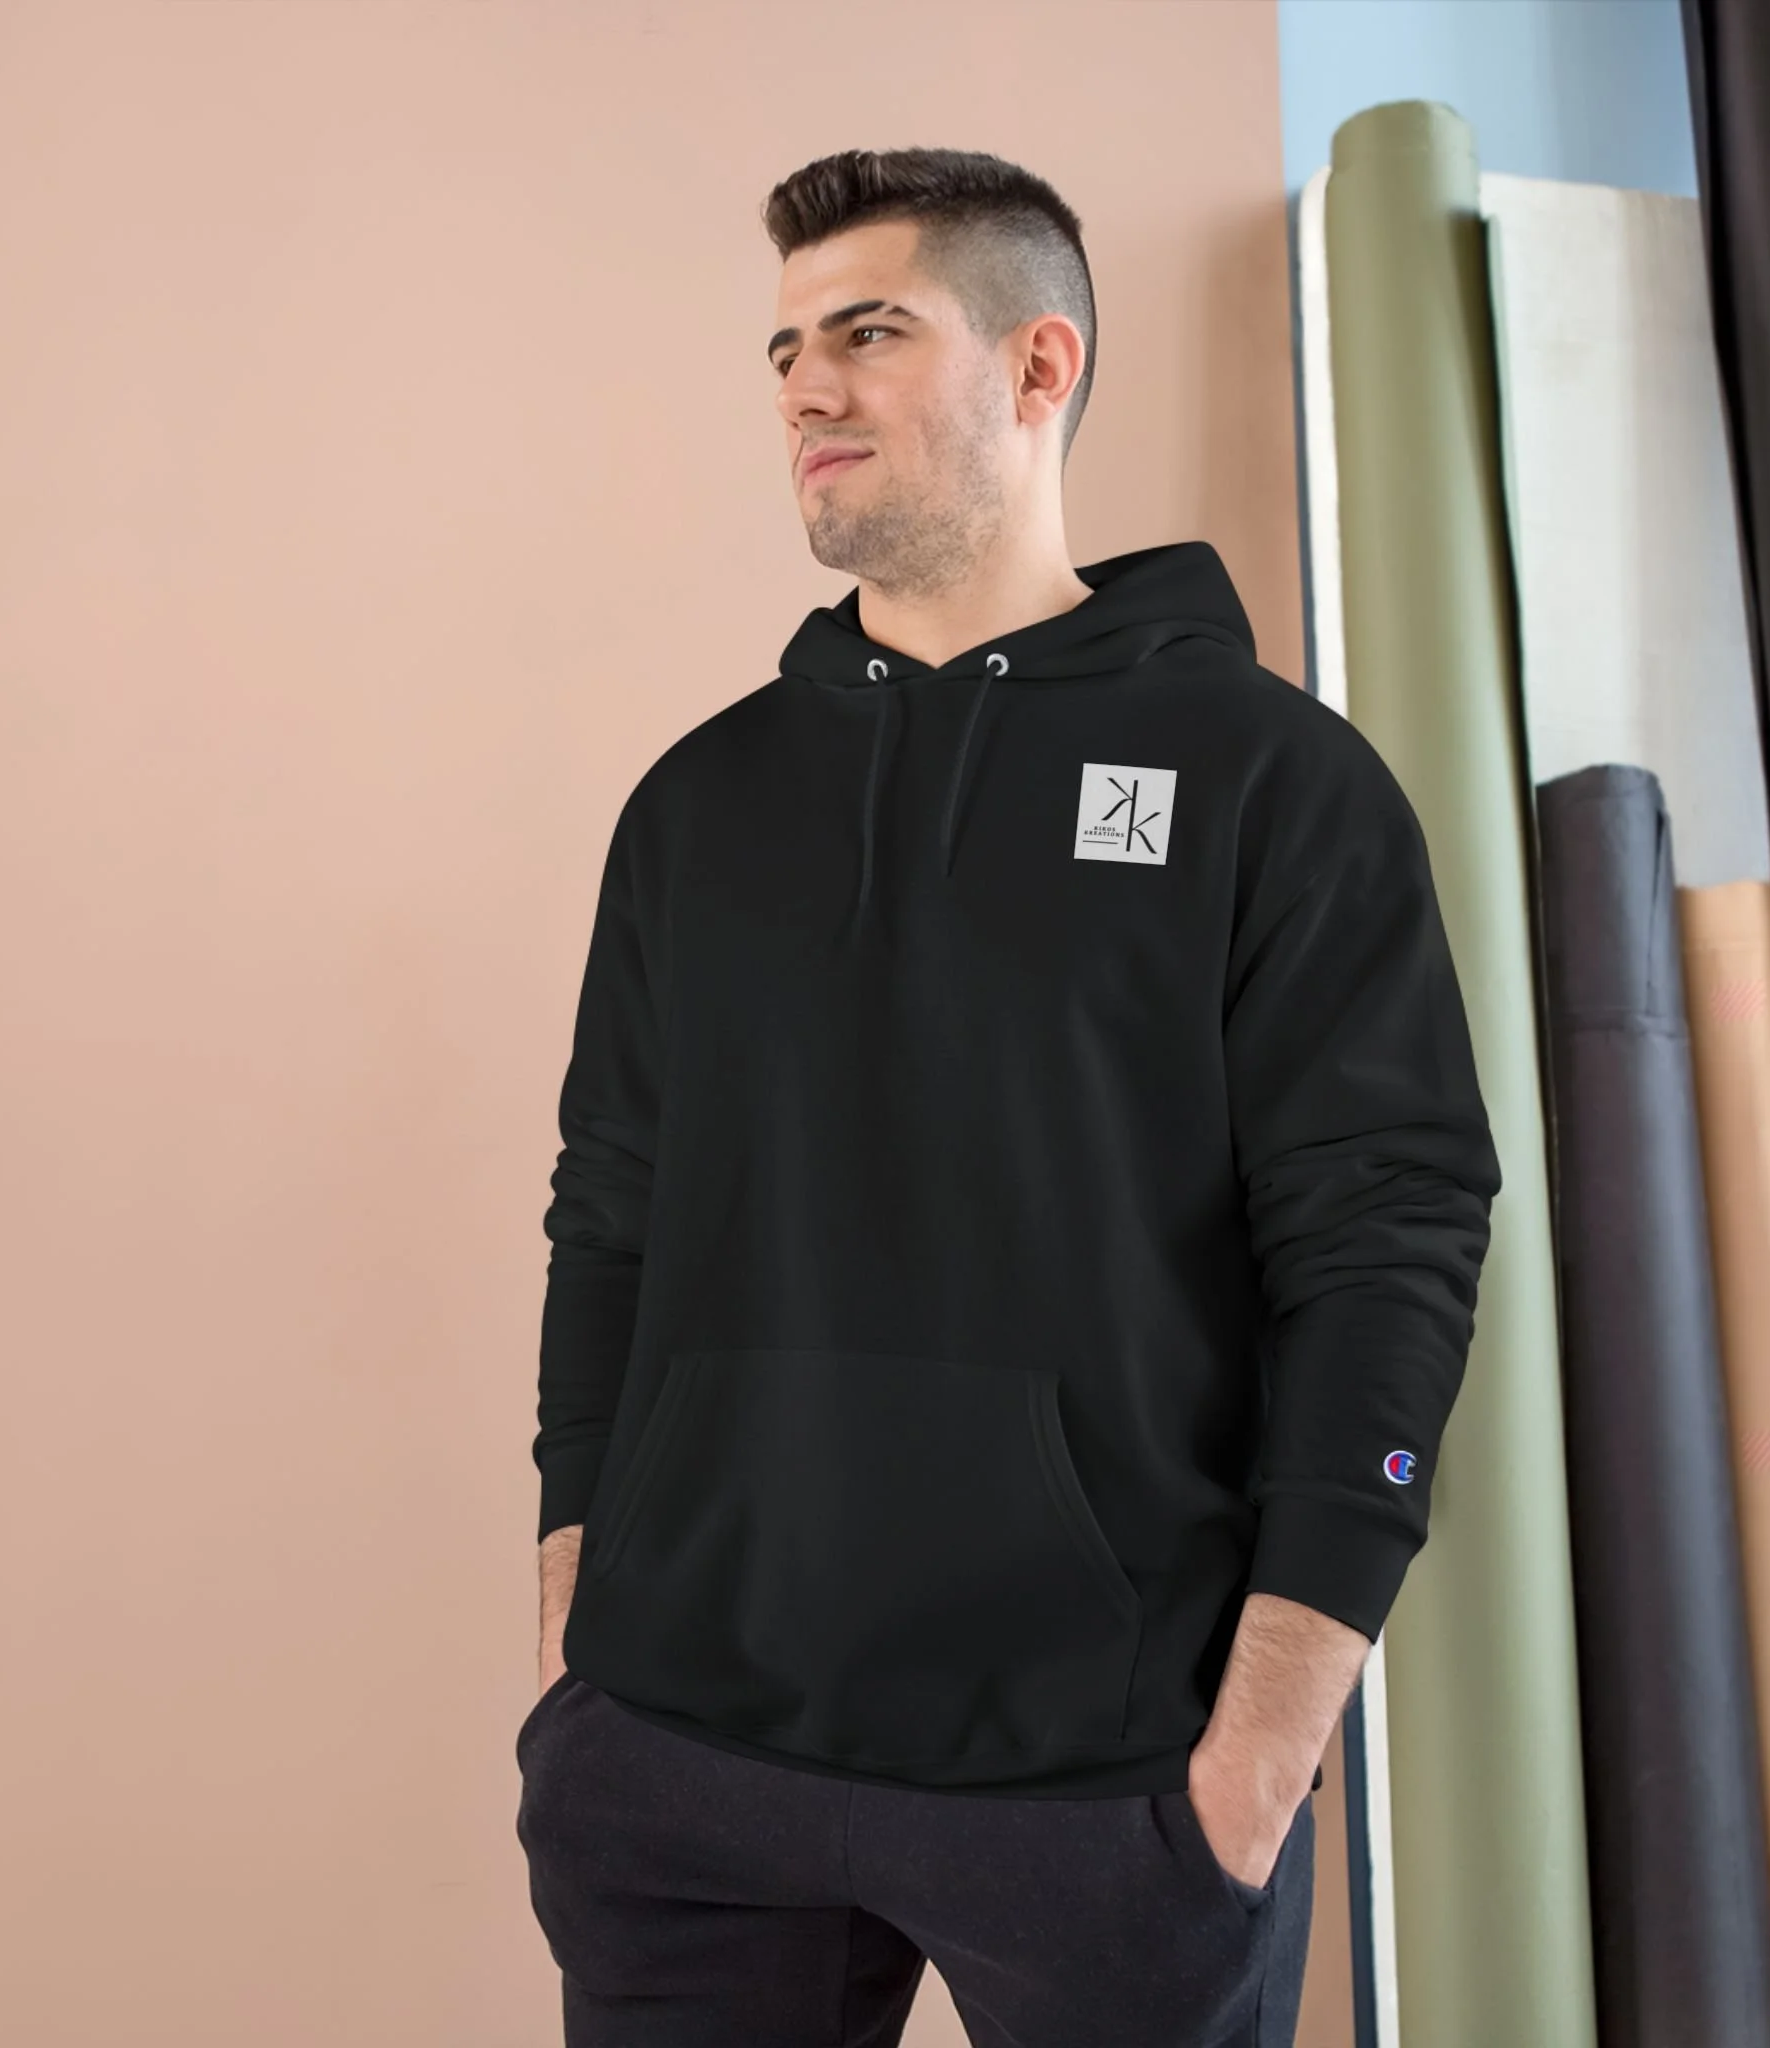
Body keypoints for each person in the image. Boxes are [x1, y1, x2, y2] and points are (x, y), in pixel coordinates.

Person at [514, 145, 1499, 2048]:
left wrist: (1266, 1742)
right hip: (683, 1758)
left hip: (1104, 1784)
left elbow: (1387, 1248)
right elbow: (608, 1210)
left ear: (1041, 365)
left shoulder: (1274, 784)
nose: (805, 389)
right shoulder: (701, 806)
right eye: (785, 349)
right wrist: (577, 1614)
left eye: (869, 333)